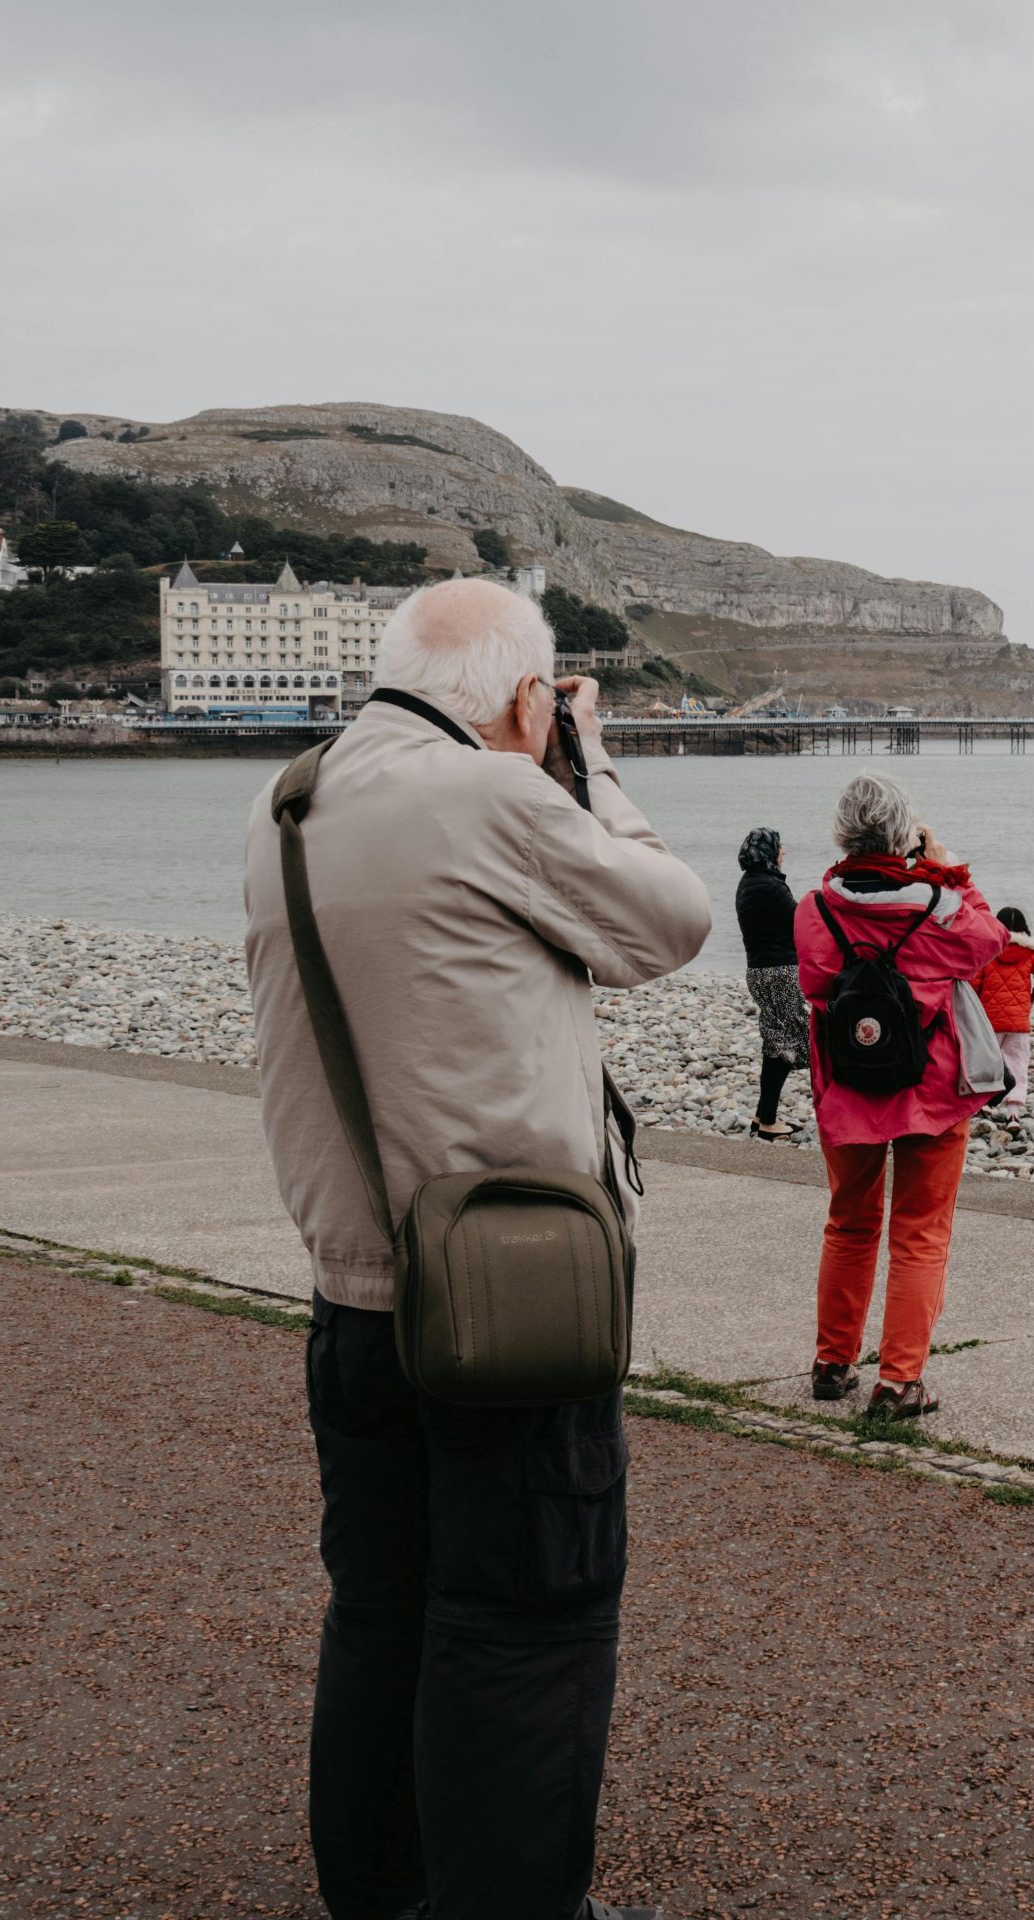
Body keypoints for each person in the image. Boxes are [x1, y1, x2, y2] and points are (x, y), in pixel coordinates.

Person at [241, 577, 711, 1920]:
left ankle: (384, 1895)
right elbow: (666, 921)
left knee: (384, 1618)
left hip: (355, 1296)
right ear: (521, 699)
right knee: (524, 1625)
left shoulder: (291, 806)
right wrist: (591, 763)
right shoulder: (491, 797)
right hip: (506, 1309)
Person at [796, 772, 1005, 1418]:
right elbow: (990, 941)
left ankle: (833, 1363)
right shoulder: (936, 906)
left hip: (849, 1085)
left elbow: (815, 979)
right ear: (904, 833)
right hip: (930, 1089)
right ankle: (898, 1381)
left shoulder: (815, 907)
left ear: (843, 834)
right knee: (919, 1232)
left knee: (850, 1222)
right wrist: (950, 872)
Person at [735, 826, 806, 1139]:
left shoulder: (747, 883)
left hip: (759, 972)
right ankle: (767, 1121)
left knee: (776, 1040)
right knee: (788, 1043)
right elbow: (801, 921)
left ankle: (765, 1116)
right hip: (781, 972)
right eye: (780, 847)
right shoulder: (770, 885)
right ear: (769, 851)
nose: (783, 852)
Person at [972, 905, 1034, 1122]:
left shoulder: (990, 949)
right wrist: (1033, 997)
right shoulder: (1032, 952)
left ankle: (986, 1105)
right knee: (1017, 1062)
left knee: (988, 1061)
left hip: (989, 1020)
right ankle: (1013, 1113)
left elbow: (973, 983)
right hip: (1019, 1022)